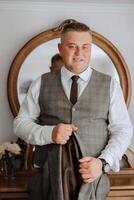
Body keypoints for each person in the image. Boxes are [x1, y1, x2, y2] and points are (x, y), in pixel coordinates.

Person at [13, 22, 133, 200]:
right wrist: (49, 133)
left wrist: (103, 163)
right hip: (48, 180)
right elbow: (20, 124)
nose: (79, 53)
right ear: (60, 48)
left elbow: (122, 130)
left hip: (93, 181)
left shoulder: (110, 85)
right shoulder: (41, 83)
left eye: (85, 47)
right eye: (72, 46)